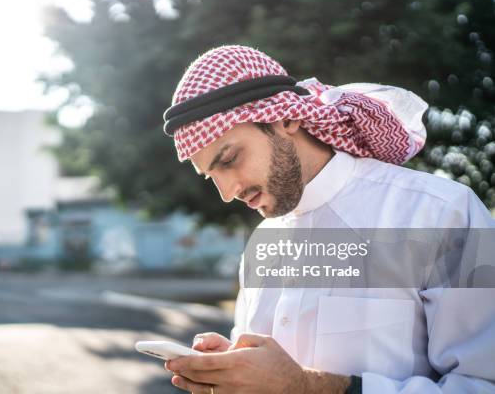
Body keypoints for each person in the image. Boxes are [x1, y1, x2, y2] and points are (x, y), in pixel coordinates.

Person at [161, 45, 495, 393]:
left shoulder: (442, 213)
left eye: (228, 159)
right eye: (211, 175)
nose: (227, 192)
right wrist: (230, 372)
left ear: (286, 119)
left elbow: (482, 384)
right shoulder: (261, 243)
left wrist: (308, 387)